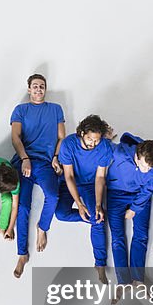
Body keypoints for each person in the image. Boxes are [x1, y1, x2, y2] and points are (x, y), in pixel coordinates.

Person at [10, 74, 65, 278]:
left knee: (53, 195)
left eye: (42, 86)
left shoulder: (56, 109)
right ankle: (22, 254)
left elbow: (61, 138)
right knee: (23, 206)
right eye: (35, 86)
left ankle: (42, 227)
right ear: (29, 89)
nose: (39, 89)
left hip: (45, 163)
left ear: (45, 89)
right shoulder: (20, 110)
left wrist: (57, 157)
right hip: (24, 162)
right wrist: (24, 158)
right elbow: (15, 137)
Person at [54, 115, 114, 281]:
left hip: (90, 184)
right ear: (81, 133)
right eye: (89, 139)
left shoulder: (104, 147)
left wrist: (97, 205)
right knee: (60, 214)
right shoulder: (68, 144)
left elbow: (100, 177)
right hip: (70, 182)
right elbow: (69, 176)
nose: (92, 144)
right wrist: (79, 205)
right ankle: (92, 218)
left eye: (96, 140)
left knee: (98, 218)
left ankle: (99, 263)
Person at [105, 134, 153, 285]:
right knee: (117, 237)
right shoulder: (119, 153)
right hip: (116, 194)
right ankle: (123, 281)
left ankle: (138, 278)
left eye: (149, 168)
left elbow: (148, 189)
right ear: (136, 156)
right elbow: (101, 148)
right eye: (143, 165)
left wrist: (135, 208)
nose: (146, 170)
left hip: (139, 195)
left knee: (141, 235)